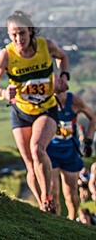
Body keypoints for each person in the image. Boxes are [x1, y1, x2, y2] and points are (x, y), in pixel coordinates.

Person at [0, 10, 70, 213]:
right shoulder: (6, 55)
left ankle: (47, 196)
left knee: (37, 148)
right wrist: (4, 93)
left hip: (46, 108)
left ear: (31, 31)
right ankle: (43, 207)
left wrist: (64, 76)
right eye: (13, 34)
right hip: (20, 112)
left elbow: (63, 57)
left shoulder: (45, 46)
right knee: (30, 164)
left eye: (21, 33)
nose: (18, 38)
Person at [47, 89, 95, 219]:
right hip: (51, 150)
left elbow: (93, 117)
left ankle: (72, 219)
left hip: (70, 151)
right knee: (53, 191)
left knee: (71, 192)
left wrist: (88, 141)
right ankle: (55, 221)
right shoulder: (45, 99)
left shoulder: (74, 101)